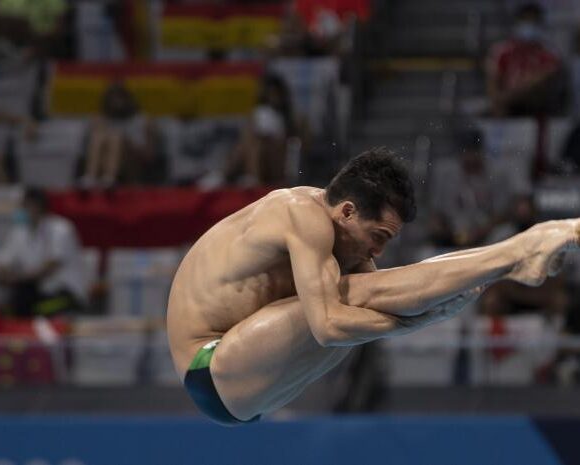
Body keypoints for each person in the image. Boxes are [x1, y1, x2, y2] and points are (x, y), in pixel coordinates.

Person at [167, 148, 579, 425]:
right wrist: (415, 323)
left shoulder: (340, 241)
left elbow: (395, 292)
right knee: (354, 302)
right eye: (378, 236)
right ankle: (517, 252)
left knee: (372, 295)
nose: (378, 250)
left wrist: (422, 310)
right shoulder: (300, 215)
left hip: (248, 378)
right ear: (347, 211)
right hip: (209, 366)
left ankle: (511, 260)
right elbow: (328, 327)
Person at [0, 187, 87, 316]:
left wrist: (16, 278)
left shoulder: (61, 229)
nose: (21, 210)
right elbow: (3, 259)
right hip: (37, 292)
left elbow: (51, 266)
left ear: (37, 206)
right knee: (13, 304)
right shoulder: (20, 232)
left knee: (26, 306)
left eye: (25, 206)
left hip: (66, 294)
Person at [485, 3, 565, 118]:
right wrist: (497, 100)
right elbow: (493, 79)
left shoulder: (550, 54)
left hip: (535, 108)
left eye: (533, 22)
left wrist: (506, 98)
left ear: (540, 25)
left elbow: (539, 81)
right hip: (504, 107)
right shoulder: (501, 51)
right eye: (526, 21)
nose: (529, 27)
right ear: (517, 23)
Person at [79, 82, 156, 188]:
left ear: (128, 100)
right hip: (104, 161)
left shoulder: (142, 121)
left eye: (120, 98)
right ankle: (91, 176)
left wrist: (128, 144)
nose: (117, 102)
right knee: (99, 136)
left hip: (132, 161)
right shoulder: (99, 120)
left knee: (115, 138)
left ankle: (110, 177)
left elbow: (149, 156)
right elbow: (86, 151)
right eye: (113, 99)